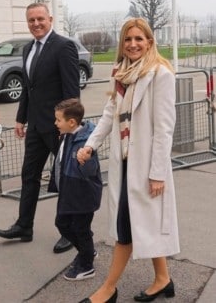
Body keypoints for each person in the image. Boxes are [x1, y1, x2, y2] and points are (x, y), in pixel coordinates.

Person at [77, 18, 180, 303]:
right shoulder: (120, 73)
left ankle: (108, 289)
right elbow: (110, 113)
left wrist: (158, 172)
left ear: (149, 42)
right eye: (128, 39)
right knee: (139, 221)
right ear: (122, 44)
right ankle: (163, 279)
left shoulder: (161, 74)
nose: (133, 44)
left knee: (127, 226)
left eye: (139, 39)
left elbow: (164, 128)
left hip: (146, 166)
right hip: (125, 164)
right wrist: (90, 145)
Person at [0, 2, 80, 254]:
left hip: (58, 128)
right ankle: (24, 226)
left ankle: (70, 231)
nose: (36, 24)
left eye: (40, 19)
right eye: (31, 20)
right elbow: (28, 89)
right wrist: (21, 118)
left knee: (65, 178)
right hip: (35, 127)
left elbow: (72, 93)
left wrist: (69, 125)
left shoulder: (64, 47)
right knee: (29, 176)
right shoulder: (28, 49)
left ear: (50, 19)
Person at [48, 98, 103, 281]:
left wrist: (85, 158)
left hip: (82, 195)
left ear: (71, 122)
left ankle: (86, 265)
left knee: (81, 229)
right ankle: (87, 250)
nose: (55, 123)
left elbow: (90, 171)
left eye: (58, 120)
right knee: (62, 224)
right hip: (68, 191)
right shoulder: (67, 135)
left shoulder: (85, 143)